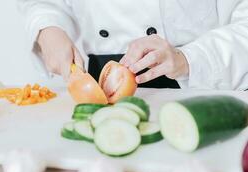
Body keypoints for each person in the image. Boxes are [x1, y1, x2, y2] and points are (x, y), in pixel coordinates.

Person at [18, 0, 248, 90]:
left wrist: (187, 59)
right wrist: (47, 28)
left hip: (203, 84)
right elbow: (43, 4)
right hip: (103, 88)